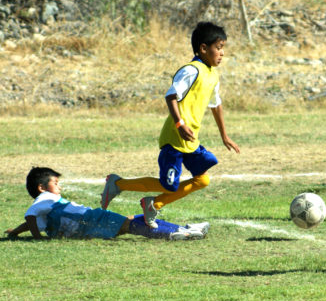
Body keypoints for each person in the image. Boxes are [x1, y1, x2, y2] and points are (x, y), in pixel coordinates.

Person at [100, 22, 240, 228]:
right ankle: (117, 184)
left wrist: (224, 136)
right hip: (175, 138)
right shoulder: (191, 71)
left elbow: (215, 104)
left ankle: (154, 204)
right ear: (203, 48)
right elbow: (171, 95)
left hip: (190, 140)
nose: (222, 53)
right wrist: (179, 123)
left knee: (202, 180)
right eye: (218, 47)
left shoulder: (213, 74)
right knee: (169, 185)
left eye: (223, 48)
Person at [5, 167, 209, 240]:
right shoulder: (44, 199)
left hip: (86, 224)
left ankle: (182, 229)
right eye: (55, 183)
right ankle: (174, 234)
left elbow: (33, 219)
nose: (59, 186)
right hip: (89, 220)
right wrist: (36, 238)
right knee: (131, 225)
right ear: (42, 187)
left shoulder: (45, 207)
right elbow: (31, 216)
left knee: (130, 221)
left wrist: (15, 232)